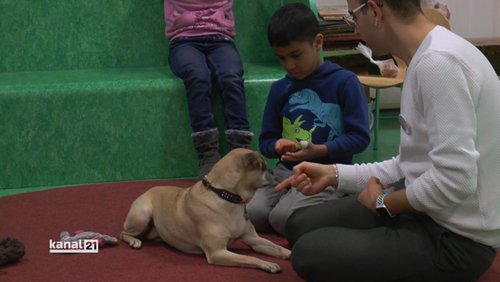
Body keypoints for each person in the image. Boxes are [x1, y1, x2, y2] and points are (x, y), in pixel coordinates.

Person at [277, 0, 500, 281]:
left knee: (309, 253)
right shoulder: (426, 55)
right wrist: (334, 174)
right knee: (299, 225)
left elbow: (456, 180)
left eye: (353, 16)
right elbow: (410, 164)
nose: (355, 26)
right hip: (427, 208)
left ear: (375, 11)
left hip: (457, 240)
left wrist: (384, 202)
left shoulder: (438, 63)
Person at [246, 3, 370, 235]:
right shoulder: (280, 88)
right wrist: (276, 145)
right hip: (285, 172)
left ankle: (341, 200)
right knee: (253, 215)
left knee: (283, 219)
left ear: (318, 42)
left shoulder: (345, 82)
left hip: (325, 172)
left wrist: (321, 150)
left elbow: (360, 137)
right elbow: (266, 141)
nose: (289, 65)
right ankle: (298, 205)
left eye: (296, 55)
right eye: (281, 58)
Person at [165, 0, 253, 178]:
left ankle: (240, 150)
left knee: (231, 77)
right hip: (184, 40)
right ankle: (207, 153)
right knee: (198, 76)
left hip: (221, 39)